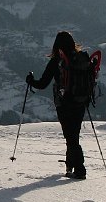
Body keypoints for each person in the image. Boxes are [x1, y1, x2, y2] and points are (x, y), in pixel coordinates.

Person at [26, 31, 88, 179]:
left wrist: (30, 80)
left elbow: (42, 84)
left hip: (64, 103)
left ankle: (80, 170)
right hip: (80, 102)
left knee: (70, 137)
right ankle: (70, 165)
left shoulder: (57, 61)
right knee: (73, 135)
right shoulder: (80, 58)